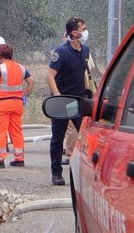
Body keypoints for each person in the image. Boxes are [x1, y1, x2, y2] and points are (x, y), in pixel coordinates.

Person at [46, 17, 90, 185]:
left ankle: (86, 173)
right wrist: (57, 96)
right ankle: (56, 173)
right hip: (62, 101)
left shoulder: (85, 51)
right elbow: (50, 76)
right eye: (83, 28)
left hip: (78, 101)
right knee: (57, 139)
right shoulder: (61, 52)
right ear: (74, 33)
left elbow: (85, 74)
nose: (86, 31)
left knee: (86, 138)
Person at [0, 44, 34, 168]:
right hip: (17, 103)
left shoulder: (0, 68)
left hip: (3, 104)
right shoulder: (21, 68)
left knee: (0, 131)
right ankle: (19, 158)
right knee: (16, 131)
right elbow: (31, 81)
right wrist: (25, 95)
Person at [62, 53, 96, 165]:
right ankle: (85, 151)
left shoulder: (69, 55)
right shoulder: (86, 54)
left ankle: (70, 154)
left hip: (74, 95)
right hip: (86, 95)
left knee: (72, 126)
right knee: (83, 124)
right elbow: (92, 70)